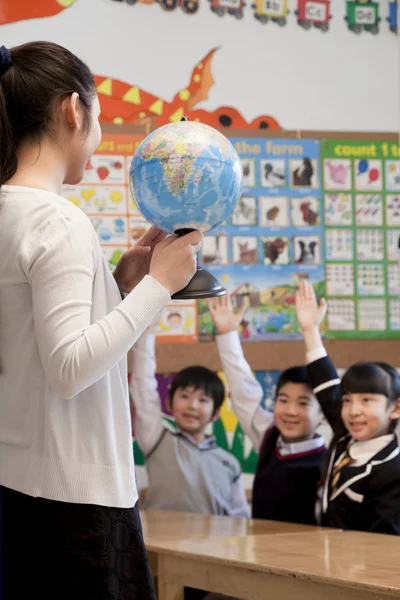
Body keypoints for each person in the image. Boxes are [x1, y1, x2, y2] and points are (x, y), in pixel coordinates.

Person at [0, 41, 201, 599]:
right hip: (73, 499)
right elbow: (68, 367)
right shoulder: (57, 219)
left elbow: (32, 347)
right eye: (99, 116)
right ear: (72, 110)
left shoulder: (11, 210)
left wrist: (119, 286)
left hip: (20, 485)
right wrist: (160, 284)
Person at [208, 296, 326, 524]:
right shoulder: (269, 436)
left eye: (303, 403)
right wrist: (227, 335)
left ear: (323, 415)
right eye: (283, 400)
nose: (290, 411)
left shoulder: (327, 462)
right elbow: (244, 392)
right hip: (259, 553)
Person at [296, 280, 400, 535]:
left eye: (367, 400)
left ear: (395, 409)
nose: (353, 411)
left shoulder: (394, 470)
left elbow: (386, 538)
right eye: (347, 400)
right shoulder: (346, 433)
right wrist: (310, 330)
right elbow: (325, 381)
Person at [130, 329, 250, 517]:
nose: (192, 406)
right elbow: (142, 387)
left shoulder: (229, 463)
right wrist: (146, 335)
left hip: (214, 545)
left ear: (216, 413)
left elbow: (240, 519)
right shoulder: (157, 441)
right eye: (184, 396)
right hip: (160, 543)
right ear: (169, 403)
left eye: (203, 400)